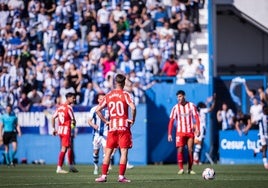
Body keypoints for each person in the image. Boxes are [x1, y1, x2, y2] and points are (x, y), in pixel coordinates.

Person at [95, 73, 136, 183]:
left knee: (107, 152)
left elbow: (97, 110)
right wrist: (133, 119)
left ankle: (103, 176)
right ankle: (121, 177)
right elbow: (133, 107)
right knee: (123, 152)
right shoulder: (126, 94)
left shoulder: (108, 95)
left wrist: (105, 121)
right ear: (123, 82)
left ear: (115, 82)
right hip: (123, 126)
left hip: (112, 126)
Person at [167, 90, 200, 175]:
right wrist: (169, 133)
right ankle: (181, 169)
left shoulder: (191, 106)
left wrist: (198, 129)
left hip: (189, 132)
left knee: (190, 150)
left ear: (184, 96)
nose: (179, 98)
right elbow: (171, 121)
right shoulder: (175, 108)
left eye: (180, 96)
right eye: (178, 97)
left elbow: (197, 118)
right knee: (180, 150)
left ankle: (190, 169)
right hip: (180, 132)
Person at [51, 92, 78, 174]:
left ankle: (70, 166)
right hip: (66, 130)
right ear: (68, 98)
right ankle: (59, 168)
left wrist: (53, 129)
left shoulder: (60, 107)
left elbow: (52, 117)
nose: (74, 99)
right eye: (73, 98)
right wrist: (72, 127)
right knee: (64, 148)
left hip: (60, 130)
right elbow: (73, 120)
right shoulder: (69, 108)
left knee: (68, 147)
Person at [88, 92, 108, 175]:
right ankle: (96, 167)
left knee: (106, 153)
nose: (102, 100)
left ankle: (104, 170)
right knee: (96, 152)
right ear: (98, 100)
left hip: (107, 134)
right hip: (97, 134)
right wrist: (93, 125)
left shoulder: (109, 109)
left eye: (103, 99)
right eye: (100, 99)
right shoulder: (94, 109)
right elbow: (89, 121)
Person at [193, 94, 216, 164]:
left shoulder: (199, 110)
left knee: (200, 143)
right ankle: (195, 159)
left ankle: (197, 159)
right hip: (201, 128)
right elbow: (211, 108)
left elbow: (204, 105)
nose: (205, 105)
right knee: (199, 143)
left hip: (199, 127)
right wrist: (214, 101)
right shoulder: (202, 110)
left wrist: (208, 101)